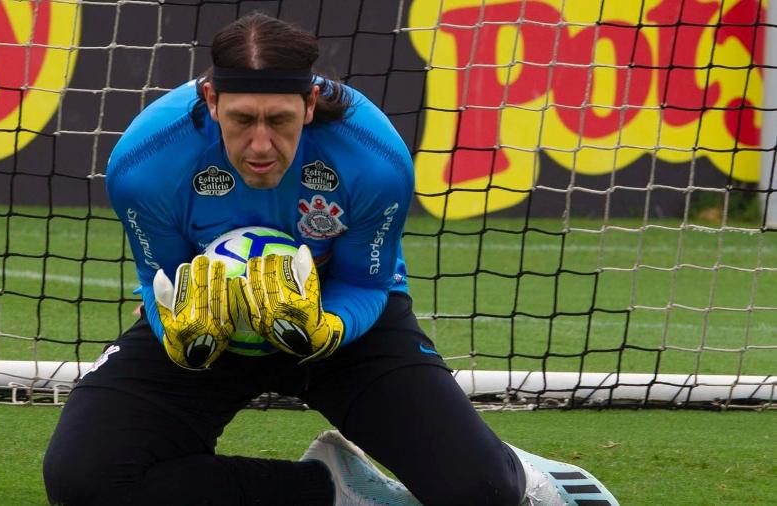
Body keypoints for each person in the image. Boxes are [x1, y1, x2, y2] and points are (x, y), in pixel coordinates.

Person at [43, 12, 618, 506]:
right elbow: (158, 280)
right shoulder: (144, 164)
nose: (261, 145)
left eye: (280, 120)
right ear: (211, 100)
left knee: (478, 493)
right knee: (84, 481)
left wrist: (326, 328)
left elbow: (368, 281)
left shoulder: (374, 158)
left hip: (343, 325)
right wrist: (180, 325)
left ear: (310, 104)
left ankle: (522, 474)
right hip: (214, 330)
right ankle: (333, 491)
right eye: (242, 120)